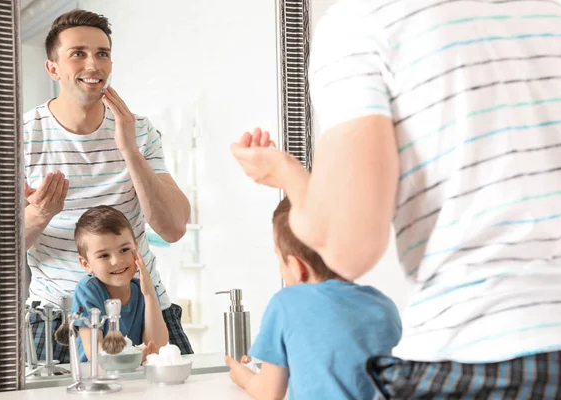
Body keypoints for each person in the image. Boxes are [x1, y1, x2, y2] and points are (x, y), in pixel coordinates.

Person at [231, 0, 561, 397]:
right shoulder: (544, 8)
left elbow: (348, 248)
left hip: (481, 353)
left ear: (296, 267)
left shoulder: (362, 23)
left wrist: (285, 173)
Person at [24, 9, 192, 363]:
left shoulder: (139, 130)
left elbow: (173, 227)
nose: (93, 64)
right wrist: (39, 214)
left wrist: (129, 150)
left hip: (142, 308)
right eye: (78, 53)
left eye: (102, 53)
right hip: (57, 316)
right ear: (53, 69)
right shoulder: (22, 137)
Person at [224, 197, 401, 399]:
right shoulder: (383, 305)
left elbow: (269, 393)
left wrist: (243, 377)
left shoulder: (286, 303)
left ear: (297, 267)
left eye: (278, 257)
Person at [71, 206, 167, 362]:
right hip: (96, 378)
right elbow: (95, 353)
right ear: (86, 264)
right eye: (104, 255)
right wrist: (133, 357)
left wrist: (149, 295)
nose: (117, 261)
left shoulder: (145, 290)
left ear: (136, 248)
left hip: (135, 377)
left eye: (124, 249)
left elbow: (157, 347)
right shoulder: (88, 291)